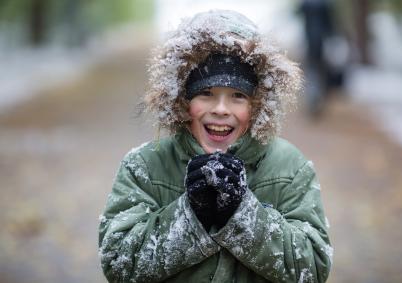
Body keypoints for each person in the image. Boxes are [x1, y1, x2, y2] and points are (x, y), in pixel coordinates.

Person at [98, 10, 332, 283]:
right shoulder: (144, 166)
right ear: (182, 102)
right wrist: (191, 215)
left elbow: (312, 269)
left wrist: (242, 213)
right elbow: (119, 264)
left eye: (237, 96)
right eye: (206, 94)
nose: (221, 109)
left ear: (256, 106)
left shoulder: (290, 167)